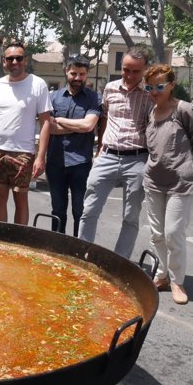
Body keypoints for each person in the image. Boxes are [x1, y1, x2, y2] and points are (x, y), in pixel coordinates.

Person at [78, 47, 154, 259]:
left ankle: (120, 261)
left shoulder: (150, 94)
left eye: (136, 71)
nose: (130, 76)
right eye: (126, 69)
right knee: (89, 210)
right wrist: (100, 147)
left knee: (131, 216)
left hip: (138, 159)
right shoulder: (110, 89)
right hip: (108, 157)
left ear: (145, 70)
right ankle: (83, 255)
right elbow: (103, 118)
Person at [143, 64, 193, 304]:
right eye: (150, 87)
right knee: (157, 234)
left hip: (182, 182)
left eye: (160, 86)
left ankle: (177, 281)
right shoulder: (150, 111)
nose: (154, 91)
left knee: (173, 233)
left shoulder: (183, 109)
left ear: (171, 85)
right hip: (154, 181)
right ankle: (160, 276)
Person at [0, 41, 52, 225]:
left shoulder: (38, 85)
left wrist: (40, 157)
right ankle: (1, 240)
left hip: (23, 153)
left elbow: (46, 122)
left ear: (25, 60)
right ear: (3, 61)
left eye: (18, 58)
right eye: (10, 58)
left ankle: (19, 242)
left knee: (20, 200)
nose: (14, 61)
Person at [46, 55, 101, 236]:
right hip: (55, 163)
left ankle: (78, 249)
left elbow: (88, 126)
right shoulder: (52, 97)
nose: (78, 78)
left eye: (82, 74)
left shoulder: (94, 98)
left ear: (87, 75)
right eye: (74, 73)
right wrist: (78, 126)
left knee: (80, 211)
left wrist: (60, 120)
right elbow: (50, 128)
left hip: (81, 164)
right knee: (58, 211)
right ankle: (57, 249)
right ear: (66, 71)